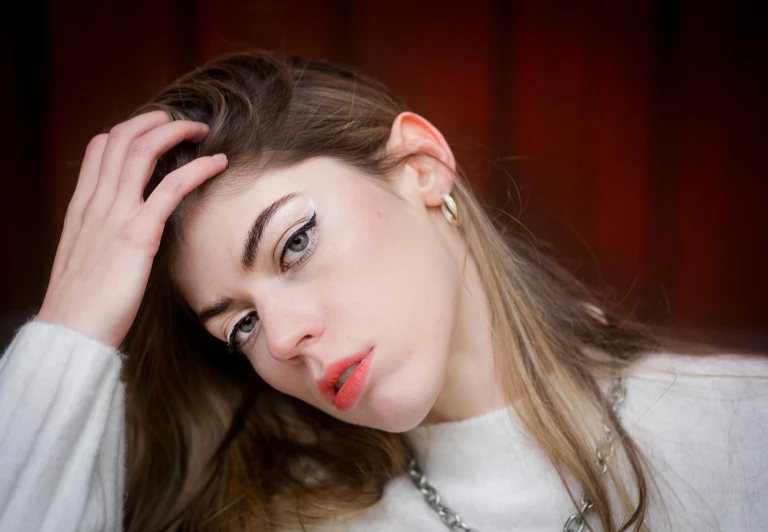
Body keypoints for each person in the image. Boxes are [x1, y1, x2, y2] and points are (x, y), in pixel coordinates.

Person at [0, 50, 766, 532]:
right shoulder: (280, 519)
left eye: (294, 243)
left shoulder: (742, 431)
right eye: (238, 327)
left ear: (420, 167)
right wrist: (71, 329)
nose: (283, 337)